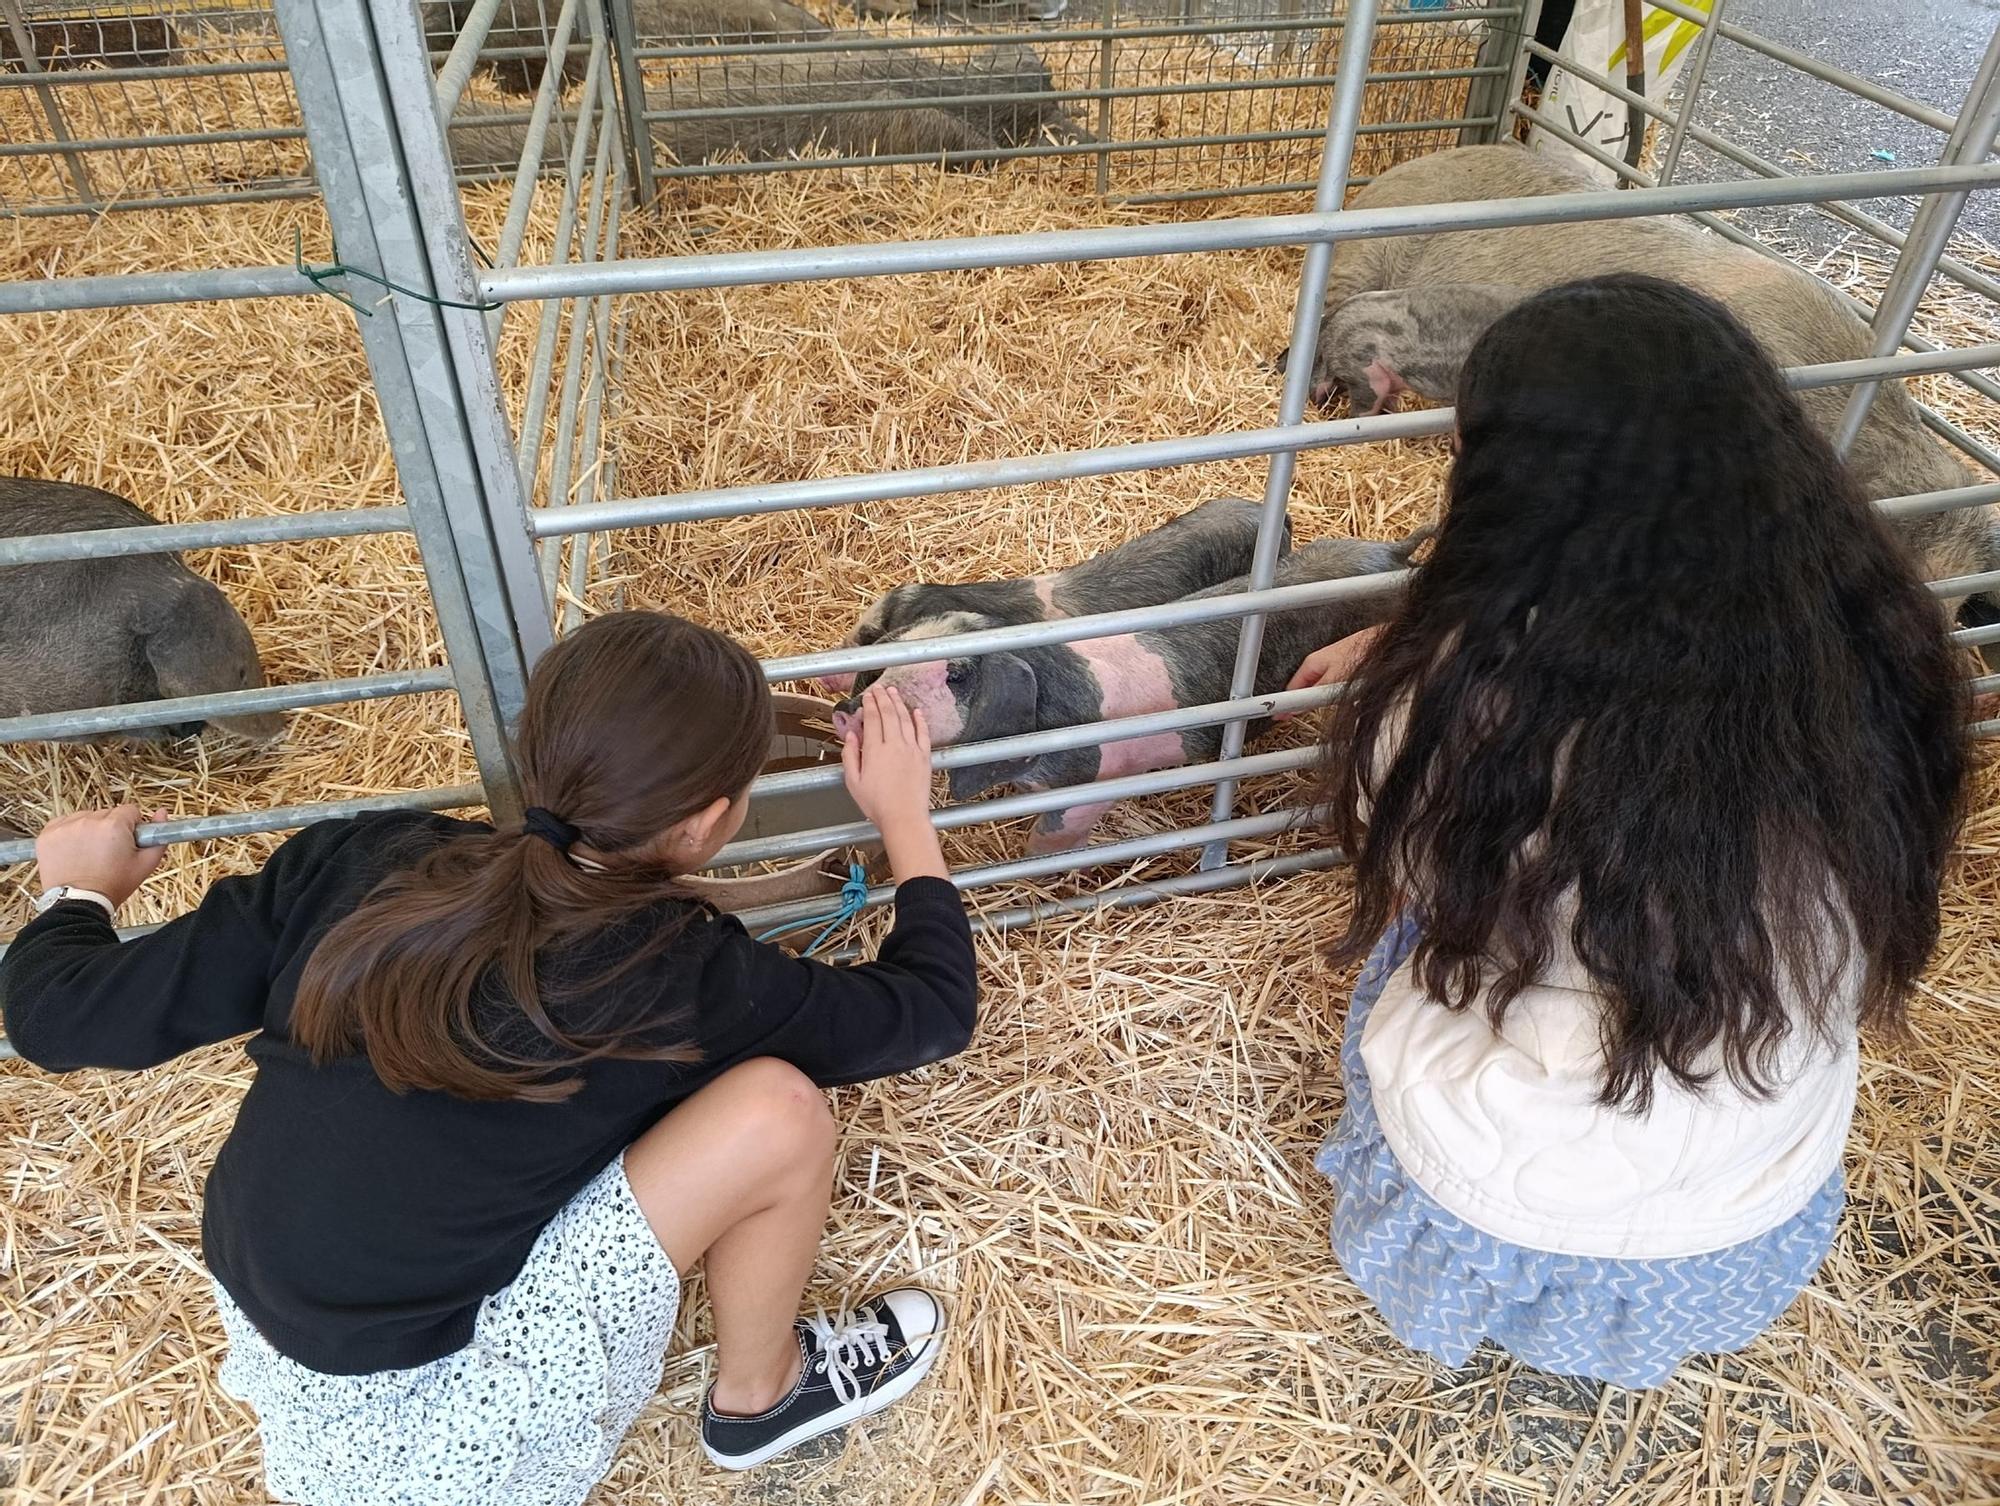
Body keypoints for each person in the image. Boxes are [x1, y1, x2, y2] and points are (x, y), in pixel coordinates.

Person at [0, 610, 979, 1503]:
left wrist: (77, 894)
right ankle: (763, 1400)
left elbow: (57, 1015)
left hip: (276, 1324)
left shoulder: (365, 857)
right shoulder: (683, 970)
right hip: (443, 1430)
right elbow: (932, 1012)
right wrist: (904, 819)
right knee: (778, 1109)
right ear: (702, 824)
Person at [1289, 274, 1969, 1388]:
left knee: (1415, 938)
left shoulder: (1464, 709)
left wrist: (1423, 651)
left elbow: (1413, 865)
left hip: (1513, 1199)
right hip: (1747, 1192)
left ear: (1521, 497)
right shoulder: (1879, 649)